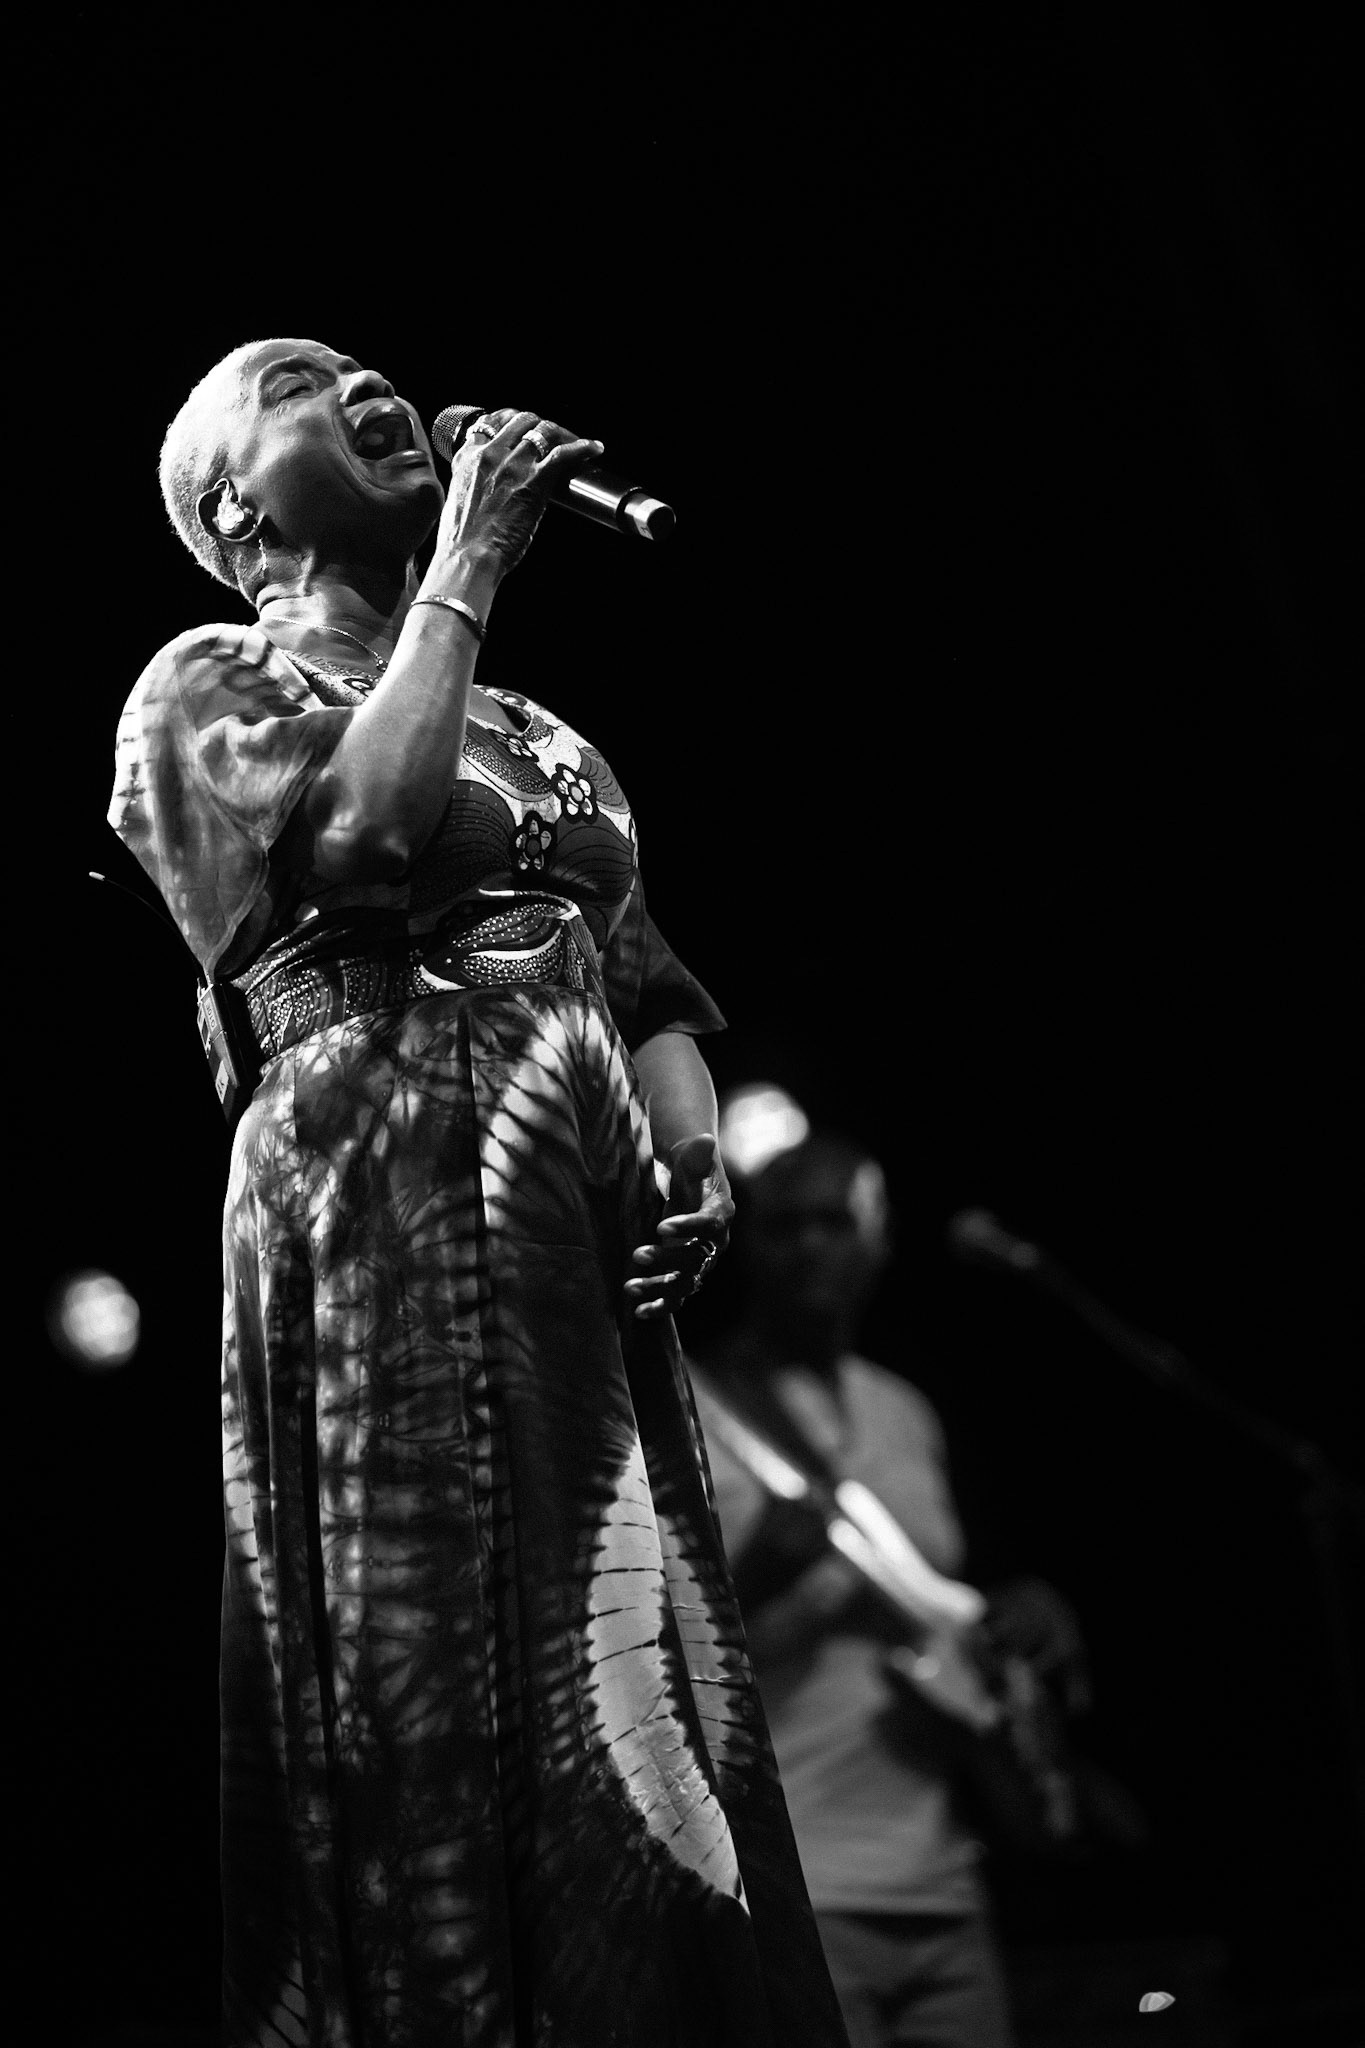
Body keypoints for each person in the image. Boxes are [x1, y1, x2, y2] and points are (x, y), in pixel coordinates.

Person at [108, 340, 849, 2048]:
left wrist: (694, 1154)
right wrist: (467, 567)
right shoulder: (206, 681)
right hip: (379, 1196)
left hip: (568, 1232)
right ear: (234, 502)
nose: (372, 385)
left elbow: (645, 974)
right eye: (305, 384)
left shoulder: (540, 729)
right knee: (438, 1635)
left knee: (621, 1650)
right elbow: (362, 841)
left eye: (373, 366)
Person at [689, 1123, 1095, 2048]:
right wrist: (754, 1573)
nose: (809, 1247)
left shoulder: (904, 1410)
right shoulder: (695, 1403)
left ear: (879, 1239)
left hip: (946, 1883)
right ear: (744, 1243)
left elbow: (949, 1605)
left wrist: (1020, 1618)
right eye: (782, 1226)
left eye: (835, 1223)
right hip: (800, 1883)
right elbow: (649, 1660)